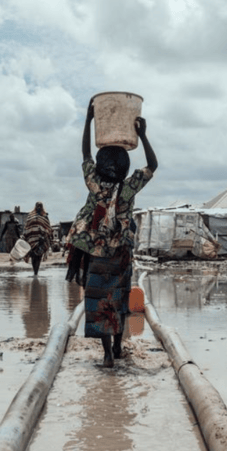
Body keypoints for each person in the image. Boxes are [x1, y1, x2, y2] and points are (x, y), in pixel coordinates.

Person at [65, 98, 158, 368]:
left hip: (97, 256)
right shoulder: (127, 189)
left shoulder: (94, 184)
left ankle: (107, 354)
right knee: (118, 300)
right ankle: (118, 348)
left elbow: (84, 155)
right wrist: (143, 135)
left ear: (101, 163)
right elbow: (152, 165)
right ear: (125, 167)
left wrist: (88, 121)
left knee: (99, 303)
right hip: (121, 257)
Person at [22, 202, 51, 276]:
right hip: (37, 239)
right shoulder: (35, 216)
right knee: (36, 256)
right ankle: (35, 272)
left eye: (39, 206)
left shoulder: (33, 216)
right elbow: (27, 227)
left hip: (36, 239)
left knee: (35, 256)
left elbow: (47, 227)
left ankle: (35, 272)